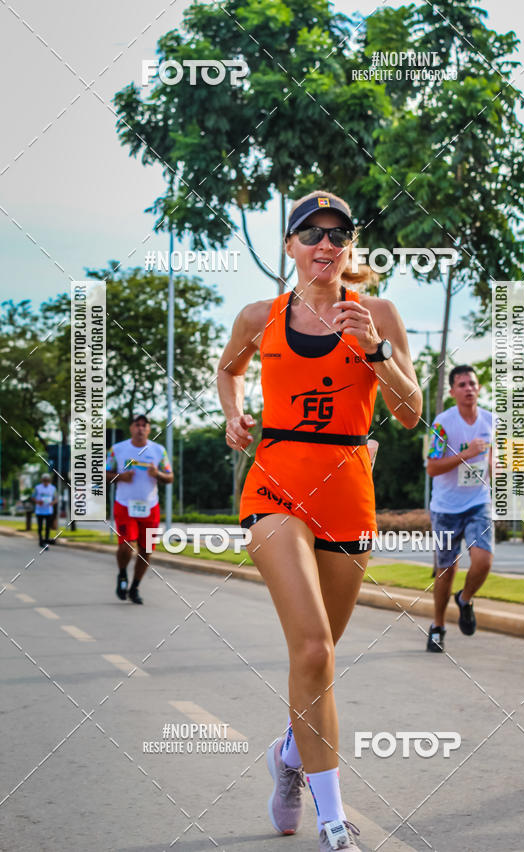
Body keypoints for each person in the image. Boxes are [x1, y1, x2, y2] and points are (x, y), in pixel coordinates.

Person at [217, 190, 421, 851]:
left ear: (349, 247)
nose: (325, 243)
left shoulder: (378, 313)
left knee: (319, 665)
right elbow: (229, 369)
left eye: (338, 233)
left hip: (349, 496)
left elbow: (412, 413)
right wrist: (233, 413)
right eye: (311, 232)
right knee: (312, 648)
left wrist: (378, 351)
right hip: (276, 486)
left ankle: (287, 756)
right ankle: (334, 819)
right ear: (291, 248)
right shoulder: (259, 315)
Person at [425, 365, 493, 653]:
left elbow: (495, 460)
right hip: (445, 509)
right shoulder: (442, 423)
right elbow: (432, 467)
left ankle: (464, 600)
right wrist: (466, 454)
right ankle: (438, 626)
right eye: (461, 384)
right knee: (446, 570)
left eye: (472, 383)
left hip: (478, 502)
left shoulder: (491, 421)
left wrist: (497, 469)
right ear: (452, 392)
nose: (468, 388)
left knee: (483, 561)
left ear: (479, 388)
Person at [106, 414, 173, 604]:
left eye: (145, 425)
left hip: (150, 507)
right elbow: (104, 473)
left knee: (146, 550)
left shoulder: (159, 451)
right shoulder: (118, 449)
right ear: (131, 428)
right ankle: (122, 575)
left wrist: (157, 473)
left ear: (149, 429)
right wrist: (120, 476)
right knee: (127, 545)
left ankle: (135, 586)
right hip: (125, 505)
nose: (141, 428)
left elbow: (169, 477)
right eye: (137, 425)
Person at [33, 474, 57, 548]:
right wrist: (37, 501)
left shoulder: (53, 488)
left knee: (47, 527)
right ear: (42, 480)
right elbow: (33, 497)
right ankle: (40, 541)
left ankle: (46, 540)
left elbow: (56, 498)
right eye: (44, 480)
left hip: (48, 511)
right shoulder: (37, 487)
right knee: (40, 527)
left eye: (47, 480)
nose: (46, 482)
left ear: (49, 481)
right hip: (39, 511)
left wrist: (52, 502)